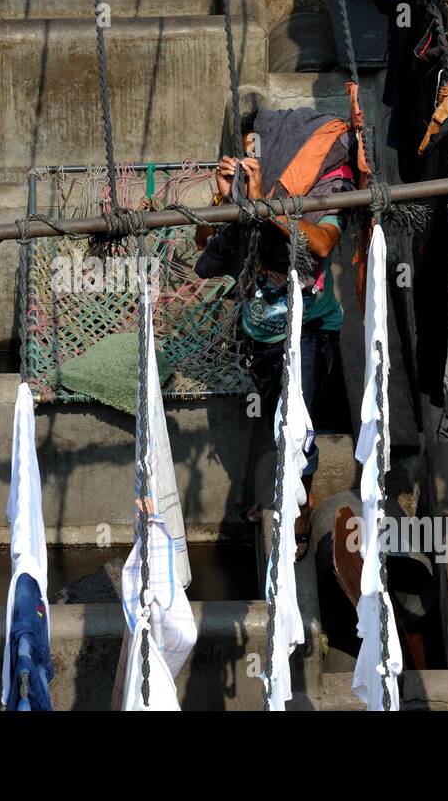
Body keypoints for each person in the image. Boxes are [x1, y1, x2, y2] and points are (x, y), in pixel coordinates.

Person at [195, 95, 355, 558]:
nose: (253, 162)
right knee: (276, 416)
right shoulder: (244, 195)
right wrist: (222, 199)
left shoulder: (329, 183)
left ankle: (300, 512)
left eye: (259, 152)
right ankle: (284, 493)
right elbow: (205, 250)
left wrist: (266, 202)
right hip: (261, 332)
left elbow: (323, 242)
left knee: (295, 421)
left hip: (308, 329)